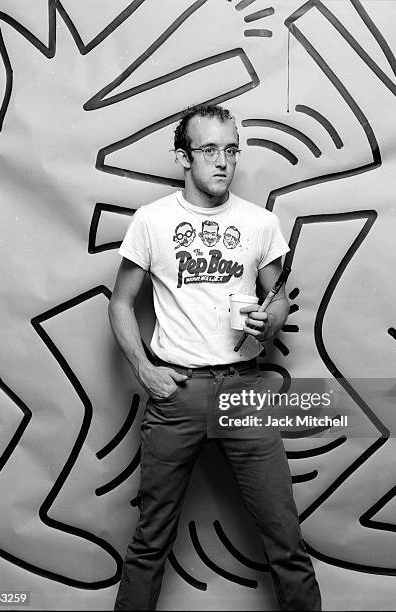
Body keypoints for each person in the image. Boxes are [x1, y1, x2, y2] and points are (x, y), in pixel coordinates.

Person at [109, 104, 321, 610]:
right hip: (177, 393)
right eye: (209, 150)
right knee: (149, 545)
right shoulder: (152, 221)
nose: (222, 161)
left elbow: (279, 299)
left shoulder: (259, 222)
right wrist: (144, 370)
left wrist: (271, 319)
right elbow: (120, 302)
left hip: (243, 391)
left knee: (286, 544)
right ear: (184, 157)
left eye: (230, 149)